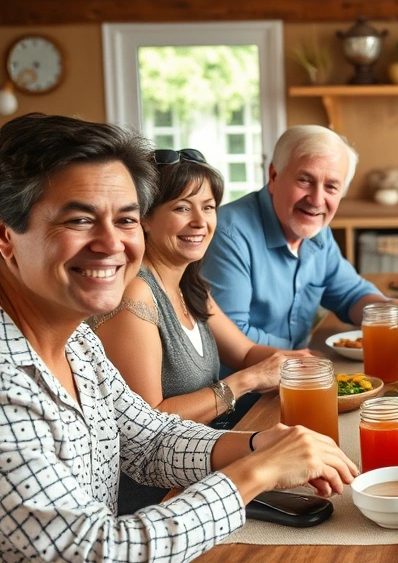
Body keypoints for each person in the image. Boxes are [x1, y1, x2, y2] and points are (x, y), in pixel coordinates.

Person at [0, 113, 358, 560]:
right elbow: (95, 550)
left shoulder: (78, 343)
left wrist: (260, 443)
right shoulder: (7, 383)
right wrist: (256, 472)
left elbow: (149, 440)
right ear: (6, 237)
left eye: (125, 219)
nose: (112, 243)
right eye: (79, 220)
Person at [91, 147, 316, 514]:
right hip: (157, 495)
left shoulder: (188, 285)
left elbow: (244, 352)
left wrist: (301, 365)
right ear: (144, 217)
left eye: (208, 207)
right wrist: (246, 381)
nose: (200, 222)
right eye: (182, 207)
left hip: (205, 464)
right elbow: (148, 422)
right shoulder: (135, 295)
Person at [201, 125, 398, 359]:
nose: (317, 200)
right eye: (305, 180)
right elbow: (231, 340)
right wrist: (308, 359)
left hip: (298, 373)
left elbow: (350, 294)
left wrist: (389, 309)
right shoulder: (228, 234)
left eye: (331, 187)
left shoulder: (317, 232)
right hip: (246, 389)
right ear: (274, 176)